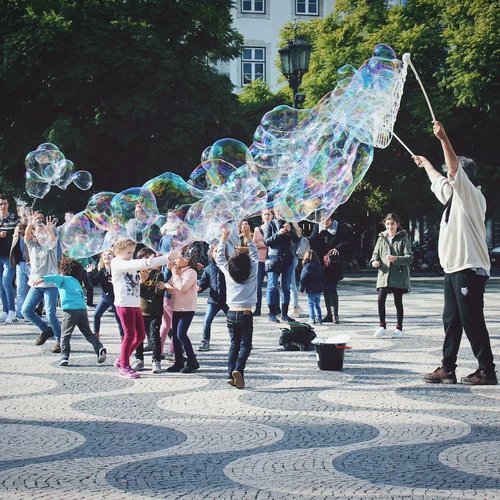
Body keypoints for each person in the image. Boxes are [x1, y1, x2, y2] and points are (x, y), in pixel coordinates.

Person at [415, 120, 497, 386]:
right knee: (451, 320)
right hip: (453, 270)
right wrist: (426, 163)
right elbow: (438, 178)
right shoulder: (452, 197)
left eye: (454, 177)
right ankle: (447, 368)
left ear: (464, 178)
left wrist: (443, 138)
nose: (449, 180)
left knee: (471, 320)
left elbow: (452, 169)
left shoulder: (472, 196)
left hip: (468, 269)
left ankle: (487, 370)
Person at [111, 237, 170, 379]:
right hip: (124, 304)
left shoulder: (129, 264)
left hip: (134, 303)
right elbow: (138, 265)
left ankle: (121, 359)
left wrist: (168, 257)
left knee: (141, 336)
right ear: (118, 251)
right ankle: (124, 366)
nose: (130, 256)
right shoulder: (117, 262)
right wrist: (145, 262)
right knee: (130, 335)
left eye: (132, 252)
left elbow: (134, 282)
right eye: (128, 252)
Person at [34, 258, 107, 367]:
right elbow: (82, 296)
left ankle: (64, 357)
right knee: (87, 333)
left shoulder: (63, 279)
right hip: (82, 310)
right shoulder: (77, 282)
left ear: (63, 270)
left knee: (65, 335)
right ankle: (99, 348)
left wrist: (42, 279)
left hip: (70, 311)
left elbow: (55, 277)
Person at [216, 224, 258, 389]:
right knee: (246, 345)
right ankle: (238, 370)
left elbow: (220, 258)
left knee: (234, 344)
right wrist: (248, 237)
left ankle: (230, 374)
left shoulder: (228, 272)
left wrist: (222, 240)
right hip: (246, 314)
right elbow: (255, 255)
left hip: (231, 314)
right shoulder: (252, 271)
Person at [22, 210, 62, 352]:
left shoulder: (50, 246)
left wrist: (49, 230)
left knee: (50, 314)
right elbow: (26, 236)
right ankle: (46, 330)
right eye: (38, 232)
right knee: (26, 311)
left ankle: (59, 340)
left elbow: (52, 241)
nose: (41, 234)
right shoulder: (32, 245)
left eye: (42, 232)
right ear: (35, 234)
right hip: (35, 284)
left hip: (50, 284)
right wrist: (31, 223)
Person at [370, 213, 413, 338]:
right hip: (384, 274)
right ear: (385, 224)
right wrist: (374, 262)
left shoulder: (403, 239)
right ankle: (382, 326)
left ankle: (399, 328)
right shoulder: (381, 238)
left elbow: (409, 257)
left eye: (393, 224)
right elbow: (375, 255)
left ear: (397, 224)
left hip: (398, 275)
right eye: (388, 224)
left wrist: (396, 259)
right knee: (380, 299)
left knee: (397, 301)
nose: (390, 226)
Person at [309, 213, 354, 324]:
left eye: (328, 219)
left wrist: (337, 248)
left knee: (331, 288)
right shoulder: (316, 227)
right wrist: (323, 246)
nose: (325, 222)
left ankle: (335, 315)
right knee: (324, 288)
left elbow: (350, 242)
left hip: (334, 262)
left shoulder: (340, 228)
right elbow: (313, 242)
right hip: (321, 263)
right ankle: (329, 314)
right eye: (323, 219)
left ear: (332, 219)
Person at [165, 247, 199, 373]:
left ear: (187, 259)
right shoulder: (178, 272)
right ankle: (178, 361)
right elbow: (169, 283)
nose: (176, 260)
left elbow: (182, 287)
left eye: (178, 257)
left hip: (187, 308)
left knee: (181, 334)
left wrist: (174, 275)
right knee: (175, 335)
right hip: (176, 306)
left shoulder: (191, 272)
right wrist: (167, 285)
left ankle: (192, 360)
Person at [131, 247, 165, 374]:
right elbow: (134, 292)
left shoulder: (158, 274)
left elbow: (159, 293)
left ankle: (156, 361)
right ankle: (139, 359)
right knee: (139, 337)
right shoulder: (136, 274)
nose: (149, 261)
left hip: (155, 311)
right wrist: (141, 281)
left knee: (155, 337)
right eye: (145, 259)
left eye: (151, 258)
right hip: (140, 310)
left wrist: (161, 288)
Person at [264, 211, 299, 323]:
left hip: (288, 258)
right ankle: (272, 313)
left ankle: (284, 314)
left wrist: (289, 230)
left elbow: (296, 240)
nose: (280, 212)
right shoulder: (271, 224)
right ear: (275, 212)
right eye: (278, 210)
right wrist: (278, 234)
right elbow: (267, 241)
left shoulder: (289, 223)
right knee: (272, 285)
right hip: (274, 258)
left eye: (281, 209)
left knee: (286, 287)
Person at [197, 244, 228, 352]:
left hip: (227, 300)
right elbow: (204, 281)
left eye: (222, 251)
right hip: (213, 300)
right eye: (216, 251)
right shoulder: (209, 268)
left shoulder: (229, 266)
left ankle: (240, 340)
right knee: (207, 321)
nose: (219, 253)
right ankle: (205, 341)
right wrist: (199, 287)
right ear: (212, 254)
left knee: (234, 321)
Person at [88, 250, 124, 340]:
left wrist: (115, 282)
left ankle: (123, 338)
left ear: (114, 257)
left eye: (109, 254)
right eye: (104, 255)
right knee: (96, 315)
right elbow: (93, 282)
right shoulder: (101, 271)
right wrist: (89, 273)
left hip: (116, 298)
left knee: (119, 319)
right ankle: (96, 336)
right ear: (102, 259)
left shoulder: (117, 269)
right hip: (106, 298)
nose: (107, 256)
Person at [0, 195, 21, 323]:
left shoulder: (14, 218)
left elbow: (22, 228)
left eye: (4, 204)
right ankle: (5, 310)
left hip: (10, 256)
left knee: (7, 282)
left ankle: (12, 311)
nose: (2, 206)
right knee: (1, 285)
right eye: (0, 204)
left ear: (8, 204)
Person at [9, 220, 30, 323]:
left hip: (30, 264)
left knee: (35, 288)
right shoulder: (16, 238)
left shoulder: (29, 237)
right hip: (20, 264)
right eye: (18, 229)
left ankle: (34, 311)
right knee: (20, 289)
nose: (19, 230)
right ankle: (19, 314)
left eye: (21, 228)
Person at [299, 249, 325, 325]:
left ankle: (312, 318)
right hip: (319, 288)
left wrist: (301, 289)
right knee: (317, 304)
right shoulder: (319, 266)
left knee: (311, 304)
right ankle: (319, 318)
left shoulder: (306, 267)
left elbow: (303, 279)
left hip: (311, 289)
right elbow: (323, 278)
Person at [252, 212, 268, 316]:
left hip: (271, 259)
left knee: (272, 286)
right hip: (259, 260)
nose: (267, 216)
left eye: (269, 214)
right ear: (262, 216)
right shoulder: (257, 229)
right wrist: (265, 244)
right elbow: (254, 244)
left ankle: (275, 308)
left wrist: (263, 244)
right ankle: (257, 308)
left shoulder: (275, 227)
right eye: (265, 214)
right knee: (257, 285)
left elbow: (276, 242)